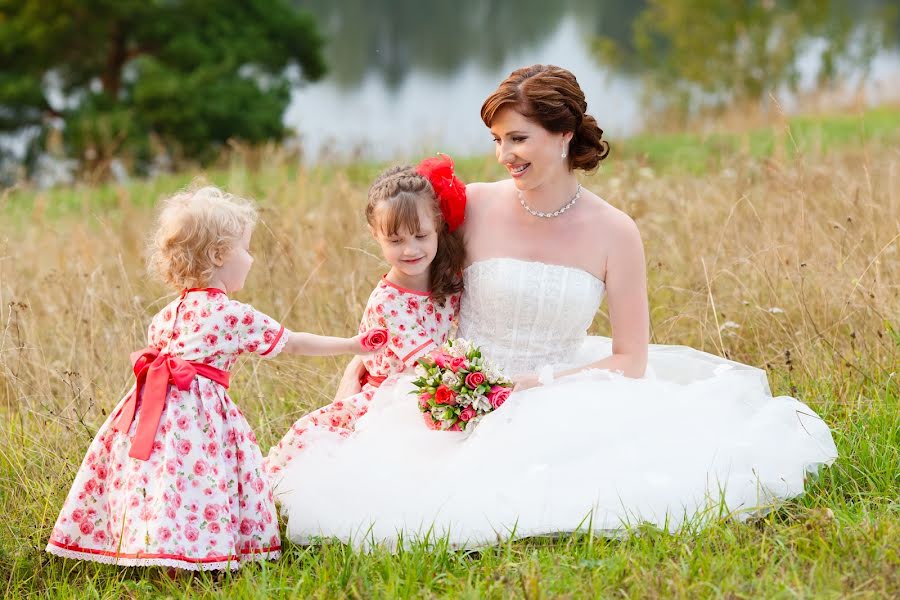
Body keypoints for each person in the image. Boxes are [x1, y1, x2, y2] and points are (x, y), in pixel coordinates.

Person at [275, 65, 838, 549]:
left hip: (563, 384)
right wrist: (368, 358)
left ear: (564, 133)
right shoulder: (468, 204)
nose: (503, 155)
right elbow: (403, 273)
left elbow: (631, 361)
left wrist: (531, 385)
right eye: (497, 140)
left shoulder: (616, 232)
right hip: (452, 388)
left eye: (517, 139)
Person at [46, 186, 375, 570]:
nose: (251, 260)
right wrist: (353, 344)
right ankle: (199, 553)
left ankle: (152, 544)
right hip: (199, 418)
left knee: (161, 477)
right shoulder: (231, 314)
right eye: (246, 249)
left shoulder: (166, 315)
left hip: (153, 415)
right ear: (220, 255)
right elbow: (294, 343)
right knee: (200, 476)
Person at [266, 157, 466, 477]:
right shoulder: (389, 303)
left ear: (439, 227)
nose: (410, 249)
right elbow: (434, 363)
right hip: (390, 396)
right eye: (395, 240)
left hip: (428, 387)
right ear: (375, 235)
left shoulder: (449, 279)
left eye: (420, 236)